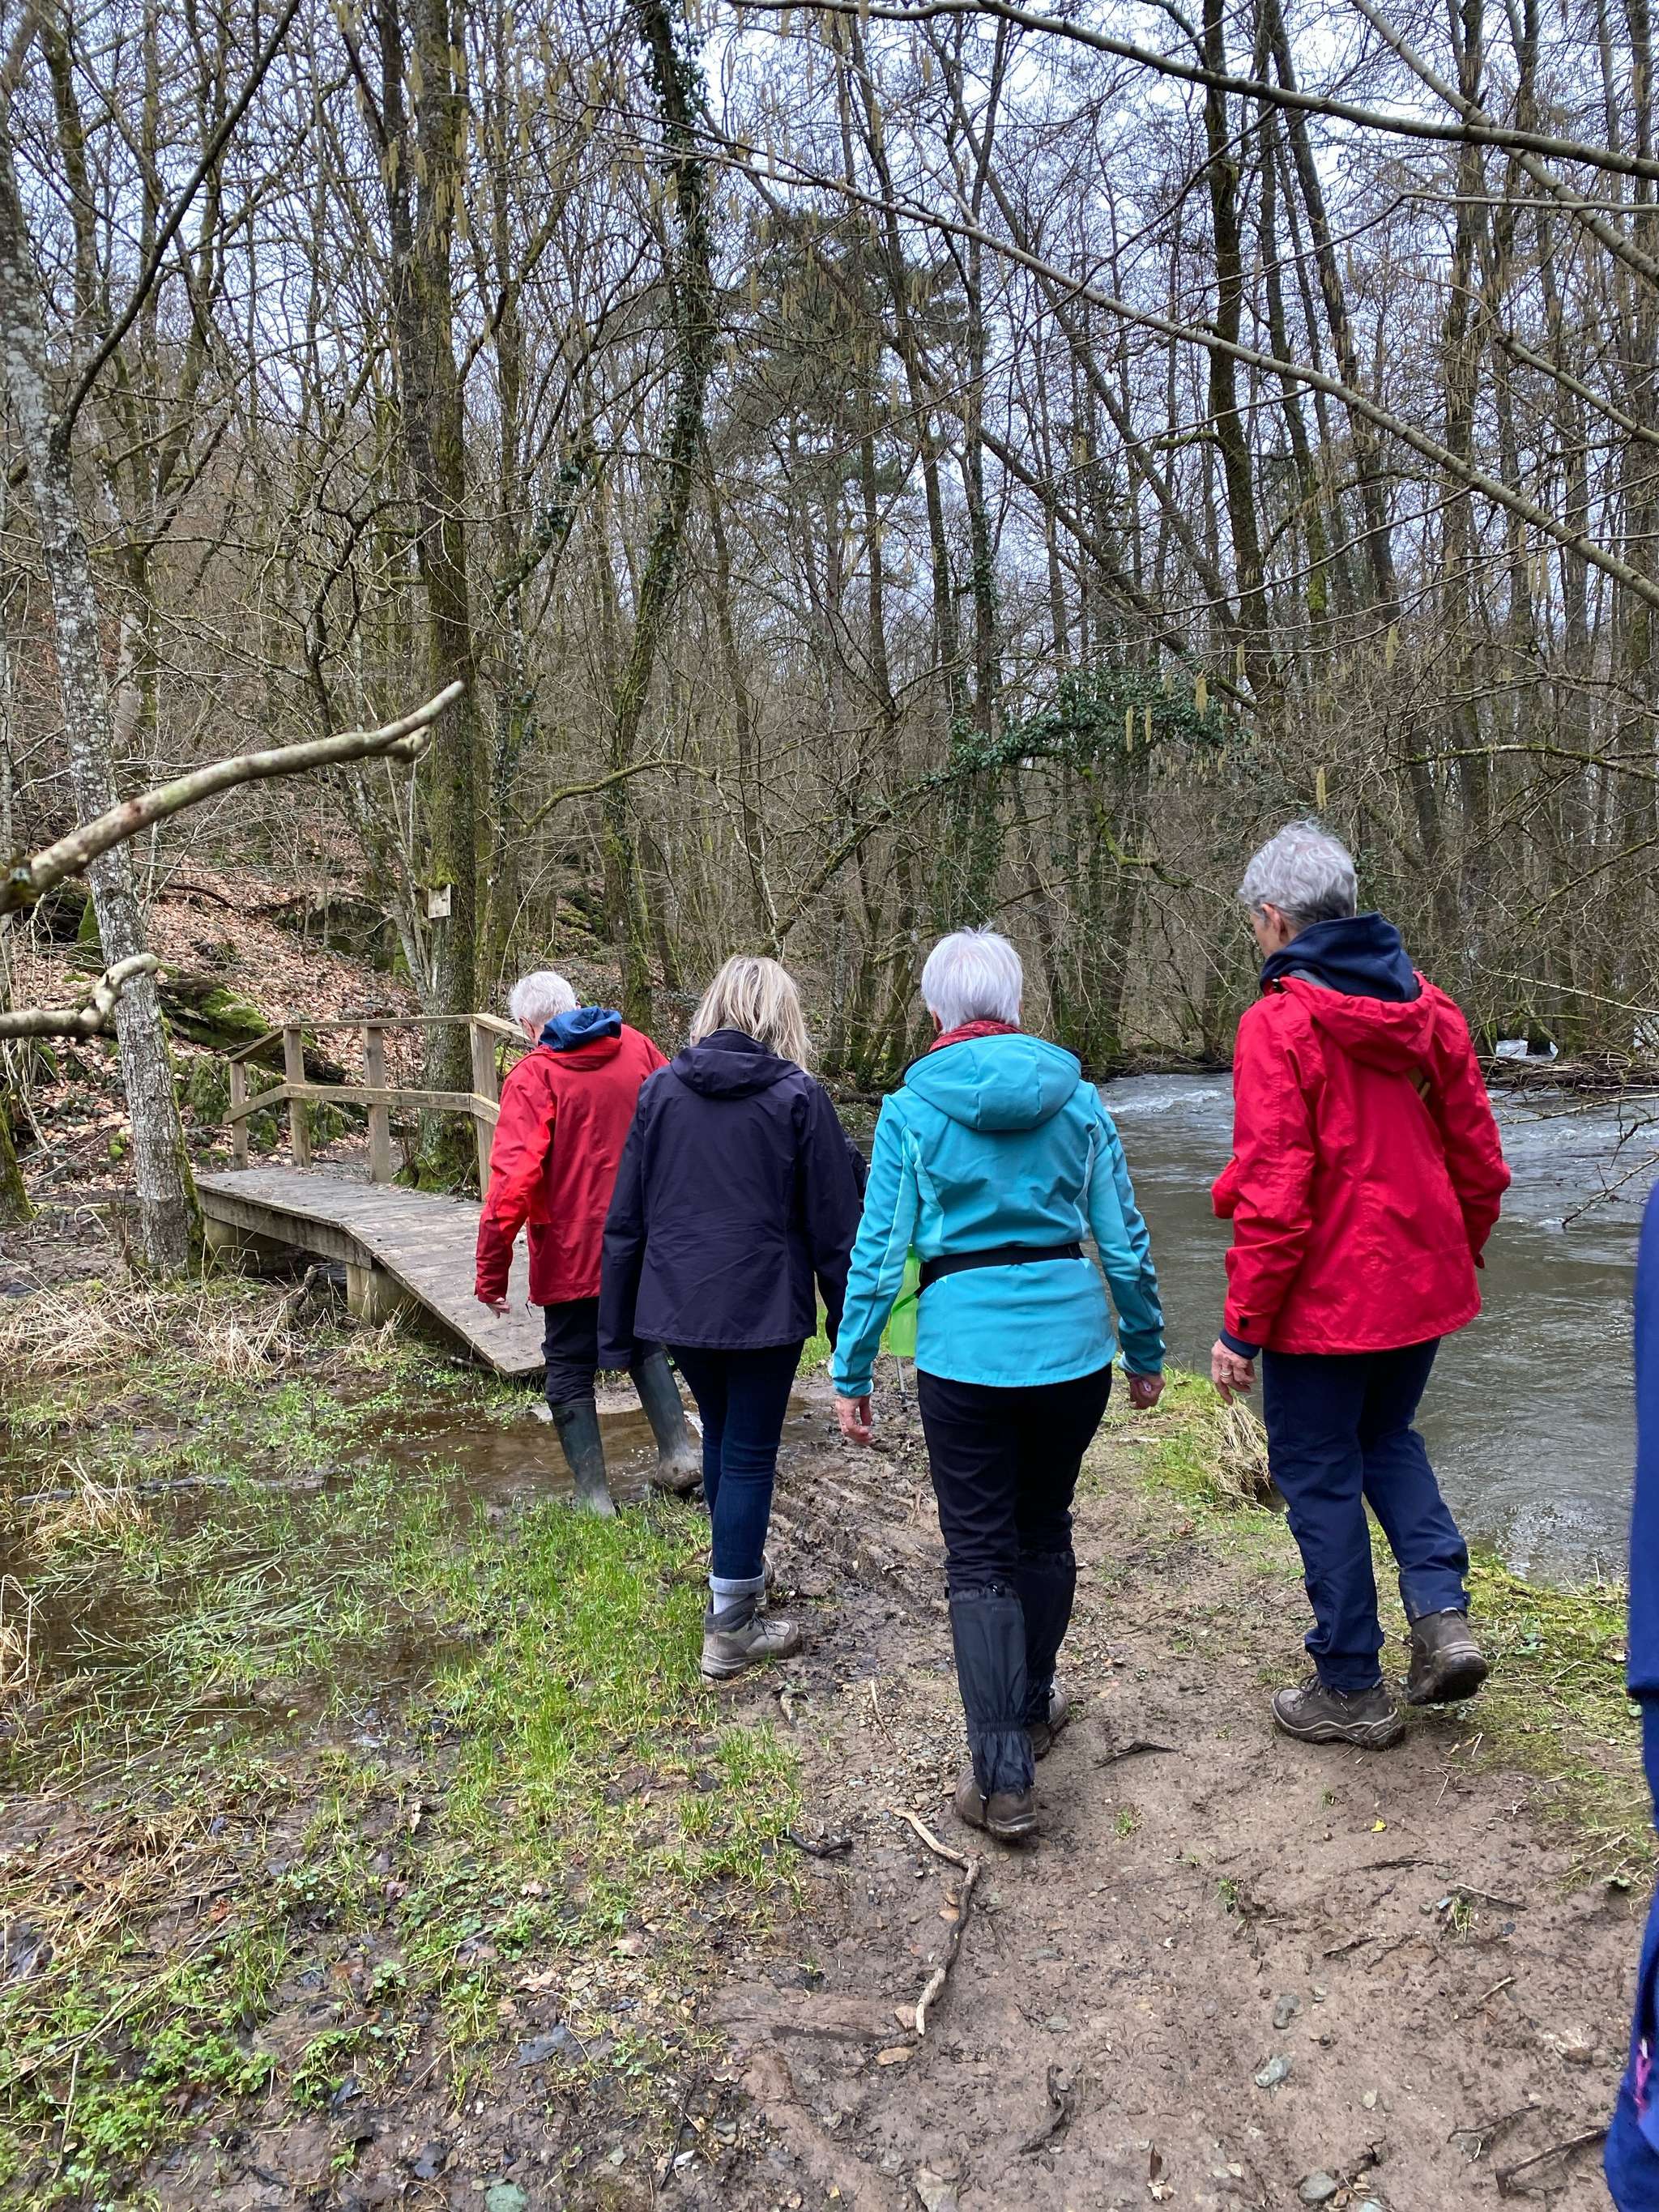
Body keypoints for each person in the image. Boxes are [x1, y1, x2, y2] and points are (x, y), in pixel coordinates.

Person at [832, 928, 1165, 1843]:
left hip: (962, 1357)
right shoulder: (1079, 1100)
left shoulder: (911, 1107)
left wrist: (851, 1367)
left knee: (978, 1553)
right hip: (1072, 1351)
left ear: (936, 1010)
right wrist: (1143, 1349)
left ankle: (1002, 1777)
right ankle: (1031, 1702)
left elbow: (878, 1254)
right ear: (1014, 1003)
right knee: (1044, 1526)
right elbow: (1124, 1244)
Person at [1209, 822, 1511, 1748]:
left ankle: (1348, 1686)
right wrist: (1454, 1246)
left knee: (1317, 1470)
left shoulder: (1277, 1024)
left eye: (1253, 924)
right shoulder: (1430, 1006)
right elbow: (1478, 1158)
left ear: (1274, 919)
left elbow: (1276, 1191)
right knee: (1385, 1437)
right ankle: (1441, 1618)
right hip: (1417, 1277)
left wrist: (1240, 1327)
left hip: (1323, 1301)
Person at [599, 956, 864, 1680]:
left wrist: (616, 1331)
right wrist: (851, 1334)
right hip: (762, 1306)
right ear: (782, 1017)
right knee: (746, 1452)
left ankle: (734, 1570)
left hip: (680, 1306)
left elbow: (626, 1218)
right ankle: (733, 1624)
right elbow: (836, 1229)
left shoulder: (660, 1090)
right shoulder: (798, 1096)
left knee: (722, 1435)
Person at [475, 970, 700, 1515]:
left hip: (572, 1251)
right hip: (642, 1241)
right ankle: (678, 1455)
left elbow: (511, 1182)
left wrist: (491, 1272)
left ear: (528, 1026)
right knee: (645, 1342)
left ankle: (594, 1498)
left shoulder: (534, 1076)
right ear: (575, 1005)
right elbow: (681, 1120)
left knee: (570, 1366)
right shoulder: (637, 1046)